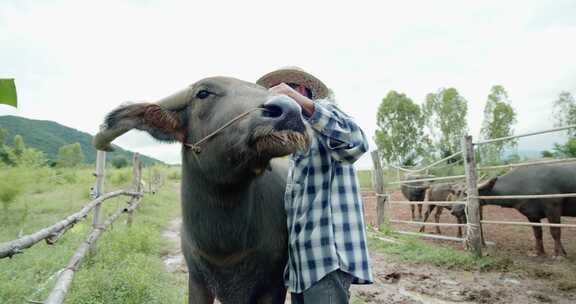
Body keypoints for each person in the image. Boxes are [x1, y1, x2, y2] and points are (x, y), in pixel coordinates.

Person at [257, 67, 373, 303]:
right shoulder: (296, 140)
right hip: (302, 266)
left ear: (299, 90)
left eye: (279, 91)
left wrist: (299, 103)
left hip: (327, 260)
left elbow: (357, 143)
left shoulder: (325, 117)